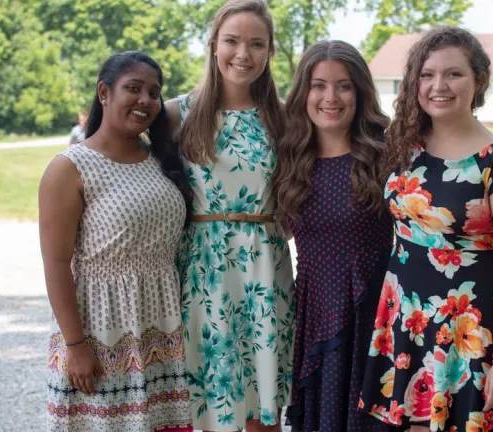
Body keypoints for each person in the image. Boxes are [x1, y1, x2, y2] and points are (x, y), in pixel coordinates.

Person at [358, 27, 493, 432]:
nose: (439, 86)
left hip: (473, 328)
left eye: (454, 74)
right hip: (408, 319)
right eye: (427, 75)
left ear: (478, 81)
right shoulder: (403, 144)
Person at [39, 51, 194, 432]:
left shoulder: (162, 160)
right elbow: (56, 263)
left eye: (155, 93)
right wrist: (76, 347)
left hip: (162, 331)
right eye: (134, 88)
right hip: (102, 333)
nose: (146, 100)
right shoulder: (69, 167)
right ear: (104, 92)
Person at [164, 1, 293, 431]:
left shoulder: (286, 116)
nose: (244, 53)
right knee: (207, 399)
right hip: (202, 268)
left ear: (270, 51)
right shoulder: (174, 114)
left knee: (263, 403)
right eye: (233, 41)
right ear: (213, 45)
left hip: (264, 266)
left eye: (257, 43)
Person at [271, 40, 393, 432]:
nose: (330, 97)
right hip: (314, 312)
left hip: (373, 314)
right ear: (303, 92)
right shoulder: (289, 157)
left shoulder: (386, 154)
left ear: (360, 92)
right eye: (318, 85)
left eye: (343, 86)